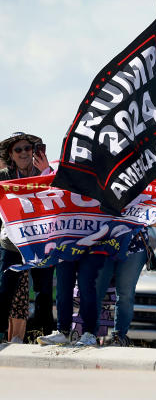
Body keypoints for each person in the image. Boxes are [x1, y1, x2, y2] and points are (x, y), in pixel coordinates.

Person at [0, 132, 55, 341]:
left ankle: (41, 335)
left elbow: (60, 194)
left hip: (42, 241)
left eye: (28, 148)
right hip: (12, 242)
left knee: (44, 291)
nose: (24, 153)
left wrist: (46, 172)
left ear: (34, 151)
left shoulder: (47, 173)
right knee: (5, 288)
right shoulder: (3, 176)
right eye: (18, 150)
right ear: (11, 155)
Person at [94, 229, 152, 347]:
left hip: (135, 246)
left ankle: (119, 338)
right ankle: (89, 334)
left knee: (125, 294)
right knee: (95, 292)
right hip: (103, 243)